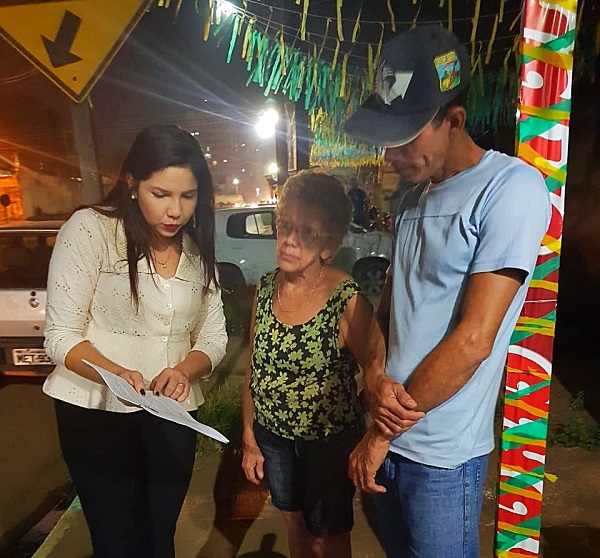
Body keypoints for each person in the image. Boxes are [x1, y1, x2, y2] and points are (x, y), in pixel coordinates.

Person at [343, 25, 551, 557]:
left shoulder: (510, 189)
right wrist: (372, 376)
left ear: (452, 121)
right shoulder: (411, 198)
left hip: (443, 453)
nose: (390, 156)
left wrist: (380, 435)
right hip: (388, 430)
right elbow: (388, 310)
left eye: (404, 138)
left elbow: (474, 341)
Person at [43, 124, 228, 558]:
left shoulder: (197, 250)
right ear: (132, 184)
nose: (175, 211)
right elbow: (60, 335)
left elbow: (214, 335)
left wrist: (185, 369)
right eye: (160, 194)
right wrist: (114, 374)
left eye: (188, 196)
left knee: (159, 535)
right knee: (117, 542)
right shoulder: (92, 230)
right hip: (95, 415)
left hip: (172, 415)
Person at [241, 171, 403, 558]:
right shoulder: (265, 288)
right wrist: (249, 435)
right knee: (294, 524)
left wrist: (374, 434)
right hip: (274, 438)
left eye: (307, 233)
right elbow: (253, 365)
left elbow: (376, 367)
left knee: (330, 536)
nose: (289, 240)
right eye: (285, 226)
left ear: (328, 245)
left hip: (329, 444)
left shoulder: (344, 297)